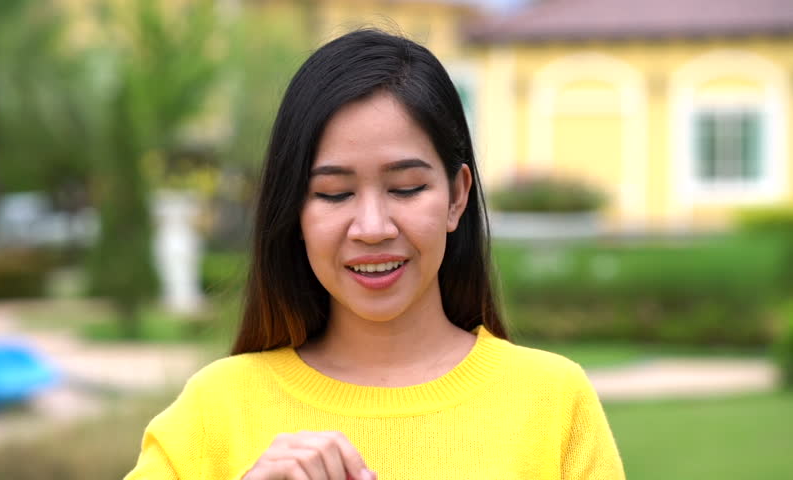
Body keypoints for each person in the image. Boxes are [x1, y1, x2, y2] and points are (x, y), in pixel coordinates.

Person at [125, 29, 625, 480]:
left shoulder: (554, 403)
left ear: (457, 197)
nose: (372, 228)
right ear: (293, 211)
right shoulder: (213, 411)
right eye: (334, 194)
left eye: (406, 188)